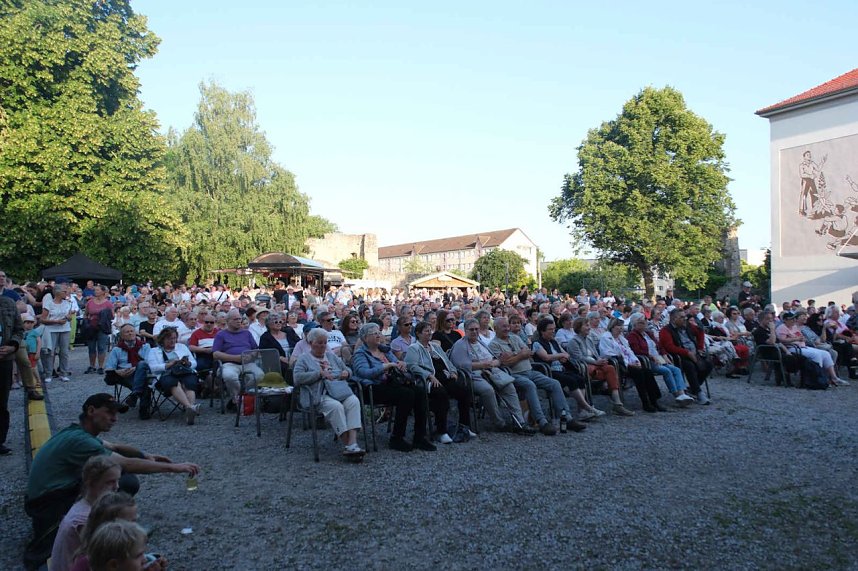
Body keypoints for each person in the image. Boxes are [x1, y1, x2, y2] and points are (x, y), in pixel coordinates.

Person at [24, 394, 199, 569]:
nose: (114, 418)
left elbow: (114, 447)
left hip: (47, 493)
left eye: (116, 414)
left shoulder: (77, 431)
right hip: (48, 502)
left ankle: (114, 522)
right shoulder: (80, 441)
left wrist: (146, 455)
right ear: (91, 411)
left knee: (124, 481)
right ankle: (109, 528)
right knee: (123, 479)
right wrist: (175, 467)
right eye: (109, 412)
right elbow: (125, 463)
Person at [352, 323, 437, 452]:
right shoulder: (360, 354)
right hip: (372, 387)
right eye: (374, 333)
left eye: (378, 332)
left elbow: (396, 363)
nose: (378, 335)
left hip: (391, 383)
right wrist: (385, 367)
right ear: (365, 338)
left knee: (419, 391)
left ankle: (419, 437)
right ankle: (397, 437)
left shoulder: (384, 349)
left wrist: (401, 364)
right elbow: (363, 373)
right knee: (406, 395)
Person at [450, 318, 537, 434]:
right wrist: (482, 364)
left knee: (509, 386)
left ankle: (519, 422)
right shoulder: (460, 345)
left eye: (477, 329)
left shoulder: (480, 342)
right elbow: (461, 365)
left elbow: (496, 360)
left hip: (491, 371)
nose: (475, 332)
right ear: (465, 331)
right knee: (488, 390)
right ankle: (499, 422)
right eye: (471, 330)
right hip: (473, 375)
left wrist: (494, 363)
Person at [489, 317, 571, 435]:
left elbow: (529, 352)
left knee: (554, 383)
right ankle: (542, 421)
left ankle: (565, 416)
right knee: (529, 385)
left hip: (530, 371)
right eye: (504, 327)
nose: (507, 328)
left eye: (507, 326)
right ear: (495, 328)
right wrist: (520, 354)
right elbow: (505, 363)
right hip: (514, 375)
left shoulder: (515, 337)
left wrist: (514, 354)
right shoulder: (494, 344)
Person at [293, 328, 365, 460]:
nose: (322, 345)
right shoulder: (304, 359)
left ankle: (353, 442)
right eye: (319, 342)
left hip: (338, 390)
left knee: (353, 401)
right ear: (311, 343)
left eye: (324, 343)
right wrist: (318, 374)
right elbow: (297, 378)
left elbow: (348, 369)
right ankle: (349, 445)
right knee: (335, 406)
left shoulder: (331, 356)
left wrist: (347, 373)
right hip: (317, 394)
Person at [49, 456, 122, 571]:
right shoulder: (85, 519)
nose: (117, 486)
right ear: (91, 483)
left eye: (118, 480)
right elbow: (104, 559)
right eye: (110, 482)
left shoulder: (83, 505)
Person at [531, 317, 607, 422]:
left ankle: (582, 412)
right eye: (550, 329)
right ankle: (588, 407)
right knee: (570, 381)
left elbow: (566, 354)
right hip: (549, 371)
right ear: (542, 331)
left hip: (561, 368)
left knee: (580, 378)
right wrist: (559, 356)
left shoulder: (554, 342)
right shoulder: (537, 343)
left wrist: (563, 356)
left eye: (554, 329)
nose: (553, 331)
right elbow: (546, 357)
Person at [567, 317, 634, 416]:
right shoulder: (573, 342)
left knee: (610, 368)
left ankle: (617, 403)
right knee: (606, 370)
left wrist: (600, 360)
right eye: (586, 325)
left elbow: (595, 354)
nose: (589, 327)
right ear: (579, 327)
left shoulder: (589, 340)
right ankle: (595, 397)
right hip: (583, 367)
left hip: (595, 365)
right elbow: (578, 358)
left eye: (588, 325)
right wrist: (596, 362)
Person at [404, 322, 458, 443]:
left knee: (462, 389)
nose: (429, 333)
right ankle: (441, 431)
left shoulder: (435, 347)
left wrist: (453, 371)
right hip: (428, 380)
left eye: (430, 331)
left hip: (445, 376)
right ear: (418, 334)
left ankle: (464, 425)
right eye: (426, 331)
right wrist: (428, 375)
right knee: (441, 393)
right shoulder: (414, 348)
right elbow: (412, 366)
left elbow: (447, 361)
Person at [598, 318, 664, 413]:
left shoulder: (622, 338)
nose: (620, 329)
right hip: (618, 364)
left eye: (621, 326)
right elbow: (607, 353)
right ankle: (645, 402)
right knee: (639, 373)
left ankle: (654, 400)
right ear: (612, 327)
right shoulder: (606, 337)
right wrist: (629, 363)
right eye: (618, 326)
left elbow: (629, 351)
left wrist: (636, 361)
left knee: (647, 371)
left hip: (630, 362)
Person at [626, 314, 693, 406]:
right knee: (666, 371)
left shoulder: (648, 334)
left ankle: (682, 394)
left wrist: (664, 355)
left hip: (659, 358)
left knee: (676, 369)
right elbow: (636, 350)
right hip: (647, 361)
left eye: (644, 320)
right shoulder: (632, 336)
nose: (644, 323)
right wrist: (650, 356)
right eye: (640, 322)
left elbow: (659, 346)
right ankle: (677, 395)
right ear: (634, 323)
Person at [776, 311, 847, 386]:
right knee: (816, 355)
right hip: (792, 348)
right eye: (791, 319)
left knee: (825, 354)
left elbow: (800, 336)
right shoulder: (782, 328)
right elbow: (782, 340)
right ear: (785, 320)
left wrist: (801, 339)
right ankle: (818, 378)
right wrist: (796, 339)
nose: (793, 320)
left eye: (794, 319)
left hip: (802, 346)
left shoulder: (794, 327)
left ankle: (834, 378)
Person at [146, 328, 201, 424]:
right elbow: (153, 368)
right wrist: (168, 365)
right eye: (169, 338)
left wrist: (187, 363)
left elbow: (194, 363)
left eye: (174, 338)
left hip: (184, 372)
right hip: (165, 374)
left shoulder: (182, 347)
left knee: (190, 382)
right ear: (162, 339)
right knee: (173, 383)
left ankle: (190, 409)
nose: (172, 341)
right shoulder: (154, 351)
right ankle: (190, 408)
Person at [212, 309, 264, 408]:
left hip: (247, 363)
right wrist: (235, 358)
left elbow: (256, 350)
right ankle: (237, 399)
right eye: (235, 319)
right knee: (229, 376)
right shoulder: (221, 334)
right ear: (228, 321)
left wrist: (251, 355)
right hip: (229, 363)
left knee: (259, 376)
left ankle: (241, 396)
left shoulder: (247, 333)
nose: (239, 321)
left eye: (240, 319)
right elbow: (215, 354)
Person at [660, 309, 713, 405]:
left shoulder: (688, 326)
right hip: (678, 356)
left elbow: (700, 332)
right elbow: (669, 347)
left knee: (709, 364)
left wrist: (700, 348)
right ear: (673, 318)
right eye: (681, 317)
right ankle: (698, 392)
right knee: (689, 366)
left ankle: (693, 388)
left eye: (685, 317)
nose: (685, 319)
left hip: (694, 352)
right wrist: (686, 352)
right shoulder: (666, 330)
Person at [104, 324, 150, 409]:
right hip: (124, 374)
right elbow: (109, 367)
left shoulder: (145, 346)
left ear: (135, 333)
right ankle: (142, 407)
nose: (130, 333)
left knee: (142, 365)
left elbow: (149, 363)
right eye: (127, 332)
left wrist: (135, 368)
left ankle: (135, 393)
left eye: (132, 331)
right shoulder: (116, 349)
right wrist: (118, 372)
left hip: (141, 372)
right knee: (144, 385)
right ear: (121, 335)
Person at [0, 294, 24, 455]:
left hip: (4, 359)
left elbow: (18, 329)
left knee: (2, 403)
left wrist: (12, 346)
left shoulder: (8, 303)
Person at [40, 283, 75, 383]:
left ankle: (64, 373)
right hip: (52, 329)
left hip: (65, 329)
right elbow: (42, 319)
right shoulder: (49, 304)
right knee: (50, 353)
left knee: (64, 352)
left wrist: (69, 318)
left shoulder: (67, 303)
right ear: (58, 292)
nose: (66, 293)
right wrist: (56, 321)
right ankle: (48, 373)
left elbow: (69, 316)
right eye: (64, 291)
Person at [85, 285, 114, 374]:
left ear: (103, 291)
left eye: (97, 290)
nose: (95, 291)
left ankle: (101, 366)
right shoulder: (90, 302)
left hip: (102, 327)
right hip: (92, 327)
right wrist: (86, 322)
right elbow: (86, 314)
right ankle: (92, 366)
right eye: (95, 290)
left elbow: (112, 315)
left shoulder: (108, 303)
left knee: (101, 347)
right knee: (91, 347)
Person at [258, 311, 291, 377]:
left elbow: (298, 344)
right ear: (269, 324)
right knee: (287, 368)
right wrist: (280, 358)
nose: (278, 323)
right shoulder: (265, 337)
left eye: (280, 322)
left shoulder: (290, 333)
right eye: (276, 322)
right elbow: (265, 353)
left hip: (293, 358)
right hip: (276, 362)